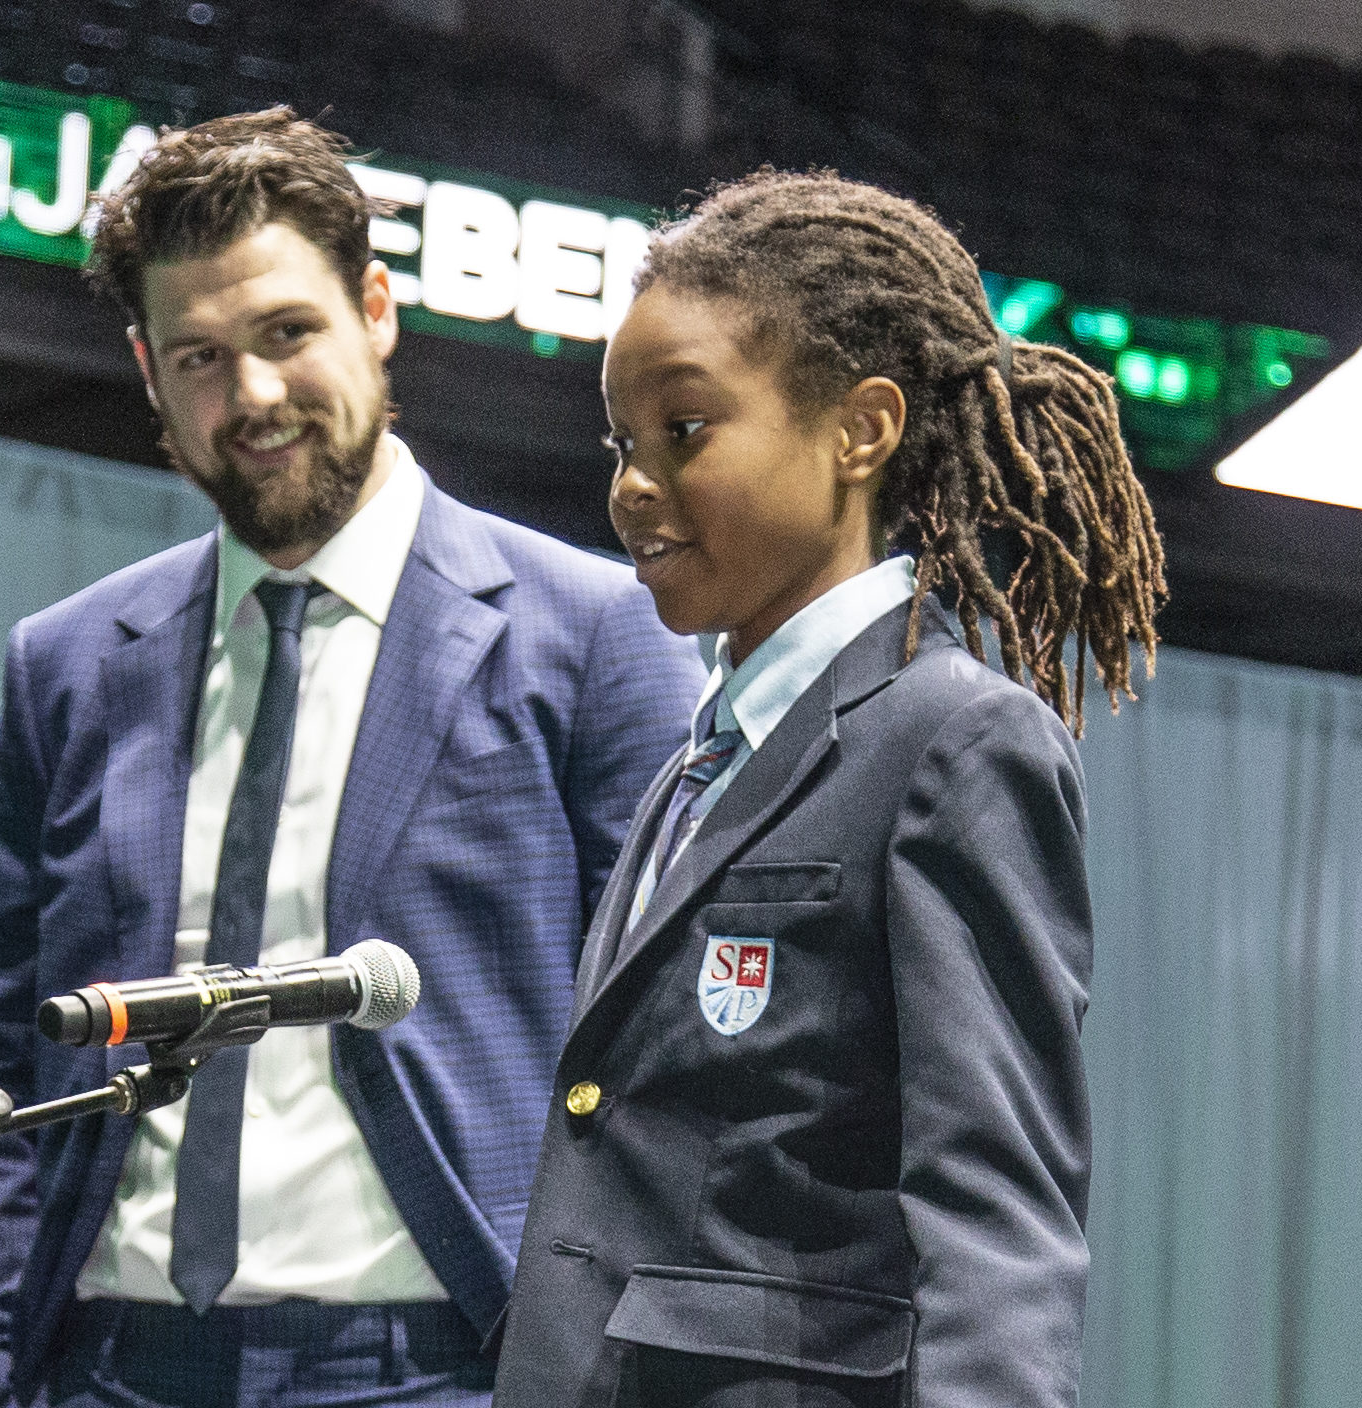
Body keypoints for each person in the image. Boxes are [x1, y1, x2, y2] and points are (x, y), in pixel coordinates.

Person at [0, 109, 707, 1408]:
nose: (256, 395)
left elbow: (677, 1062)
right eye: (202, 358)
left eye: (288, 334)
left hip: (440, 1366)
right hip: (101, 1368)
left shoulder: (597, 636)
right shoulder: (67, 666)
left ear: (377, 310)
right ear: (148, 372)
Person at [492, 170, 1167, 1408]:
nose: (632, 485)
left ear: (861, 429)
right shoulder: (709, 753)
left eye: (684, 429)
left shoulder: (955, 740)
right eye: (621, 443)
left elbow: (994, 1210)